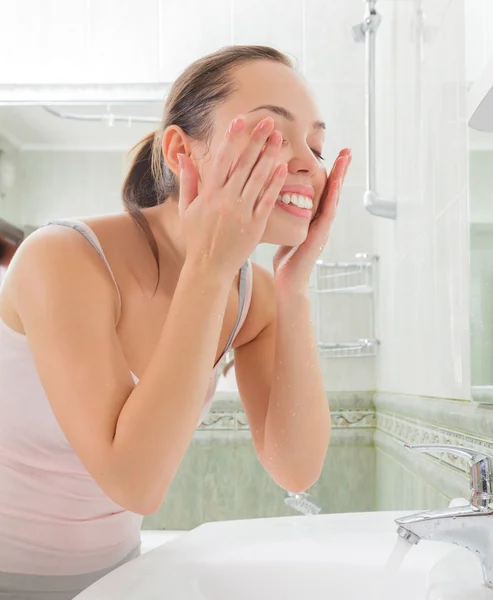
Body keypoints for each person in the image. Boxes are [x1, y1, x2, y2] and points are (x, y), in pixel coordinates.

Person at [0, 45, 351, 598]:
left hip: (118, 578)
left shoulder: (249, 297)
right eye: (274, 136)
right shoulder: (61, 258)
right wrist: (210, 267)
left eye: (317, 144)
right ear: (182, 151)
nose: (310, 162)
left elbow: (296, 468)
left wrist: (294, 290)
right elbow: (134, 482)